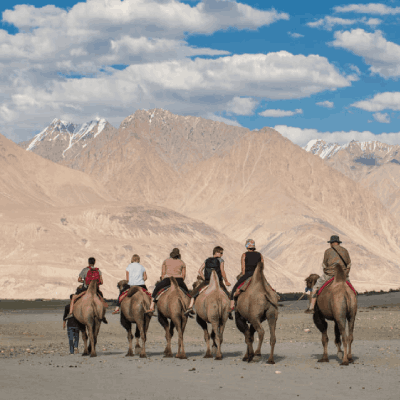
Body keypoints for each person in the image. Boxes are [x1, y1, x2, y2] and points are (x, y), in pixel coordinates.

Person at [305, 235, 351, 314]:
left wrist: (327, 271)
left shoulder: (328, 251)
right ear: (338, 243)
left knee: (315, 288)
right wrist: (345, 274)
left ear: (331, 243)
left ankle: (311, 307)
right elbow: (349, 265)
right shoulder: (345, 251)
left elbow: (324, 265)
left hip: (330, 275)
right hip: (343, 276)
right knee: (351, 290)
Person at [185, 246, 231, 315]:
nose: (222, 255)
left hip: (207, 281)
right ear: (216, 252)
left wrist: (205, 278)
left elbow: (200, 270)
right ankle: (229, 310)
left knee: (194, 293)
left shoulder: (207, 260)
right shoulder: (220, 260)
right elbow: (222, 271)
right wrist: (226, 281)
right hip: (218, 281)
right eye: (221, 253)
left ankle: (190, 307)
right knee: (227, 295)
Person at [146, 248, 190, 314]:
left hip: (168, 279)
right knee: (187, 294)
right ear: (178, 255)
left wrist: (163, 280)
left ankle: (152, 307)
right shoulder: (182, 262)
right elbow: (183, 275)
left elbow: (163, 274)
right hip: (179, 280)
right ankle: (188, 307)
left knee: (156, 289)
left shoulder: (166, 261)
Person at [230, 239, 264, 311]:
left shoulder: (244, 255)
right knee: (267, 286)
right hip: (258, 274)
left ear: (247, 246)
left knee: (234, 289)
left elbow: (243, 269)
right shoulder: (260, 255)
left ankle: (231, 306)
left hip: (248, 274)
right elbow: (262, 266)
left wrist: (242, 274)